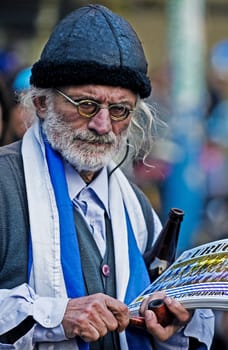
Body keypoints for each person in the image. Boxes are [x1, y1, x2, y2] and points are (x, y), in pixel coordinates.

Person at [0, 4, 214, 350]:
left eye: (119, 110)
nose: (102, 125)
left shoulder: (133, 204)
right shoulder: (5, 183)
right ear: (41, 103)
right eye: (86, 105)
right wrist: (58, 316)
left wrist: (171, 323)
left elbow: (166, 309)